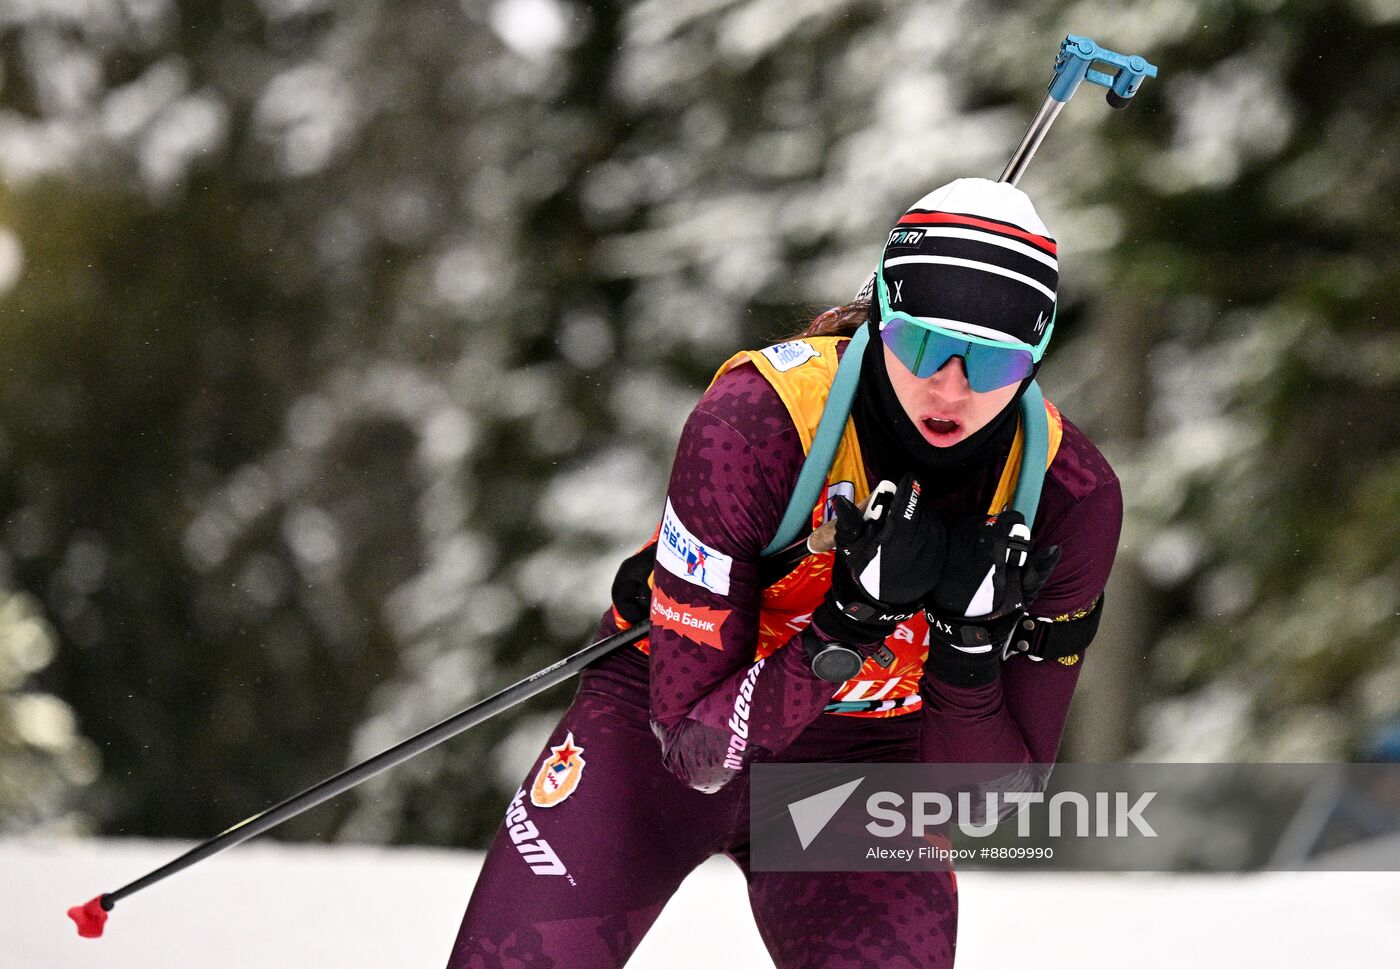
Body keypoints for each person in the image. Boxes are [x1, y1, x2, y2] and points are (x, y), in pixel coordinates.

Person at [446, 178, 1123, 968]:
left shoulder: (1069, 498)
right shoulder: (758, 423)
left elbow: (986, 801)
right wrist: (849, 624)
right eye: (922, 345)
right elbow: (695, 750)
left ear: (1037, 355)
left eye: (993, 359)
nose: (950, 386)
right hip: (652, 741)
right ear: (881, 316)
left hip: (859, 774)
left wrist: (967, 656)